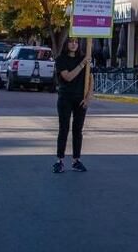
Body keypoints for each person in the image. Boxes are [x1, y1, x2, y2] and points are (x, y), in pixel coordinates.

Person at [52, 37, 92, 173]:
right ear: (66, 44)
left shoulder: (84, 59)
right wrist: (82, 64)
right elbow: (68, 77)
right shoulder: (60, 59)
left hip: (80, 99)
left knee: (78, 130)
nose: (74, 44)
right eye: (71, 42)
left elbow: (91, 79)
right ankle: (60, 161)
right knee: (64, 129)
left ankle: (76, 160)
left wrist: (88, 98)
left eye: (76, 42)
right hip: (65, 98)